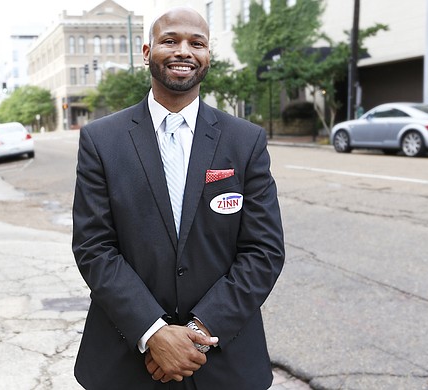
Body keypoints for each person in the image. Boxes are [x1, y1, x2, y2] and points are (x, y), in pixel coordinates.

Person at [72, 6, 285, 390]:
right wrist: (153, 332)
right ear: (146, 51)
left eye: (196, 43)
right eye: (170, 40)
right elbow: (94, 247)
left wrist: (196, 331)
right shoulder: (101, 140)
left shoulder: (245, 140)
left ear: (207, 56)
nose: (183, 51)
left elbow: (264, 250)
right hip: (127, 360)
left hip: (223, 356)